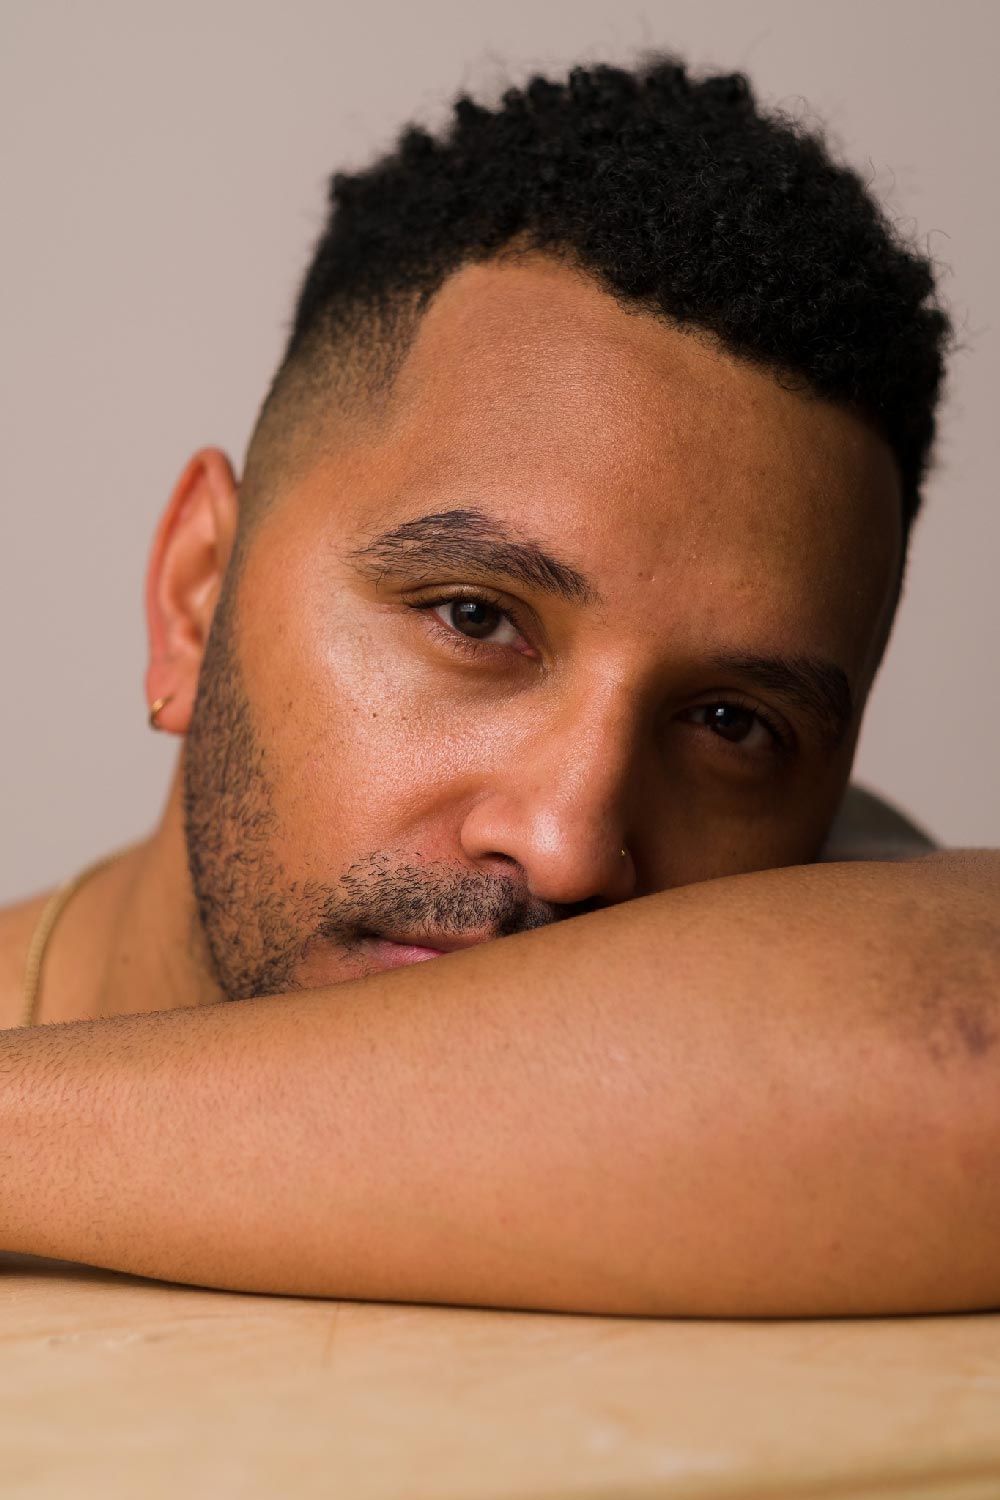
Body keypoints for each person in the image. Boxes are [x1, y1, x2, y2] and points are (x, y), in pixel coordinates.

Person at [1, 59, 997, 1317]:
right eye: (474, 618)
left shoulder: (829, 965)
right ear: (197, 596)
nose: (573, 844)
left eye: (731, 724)